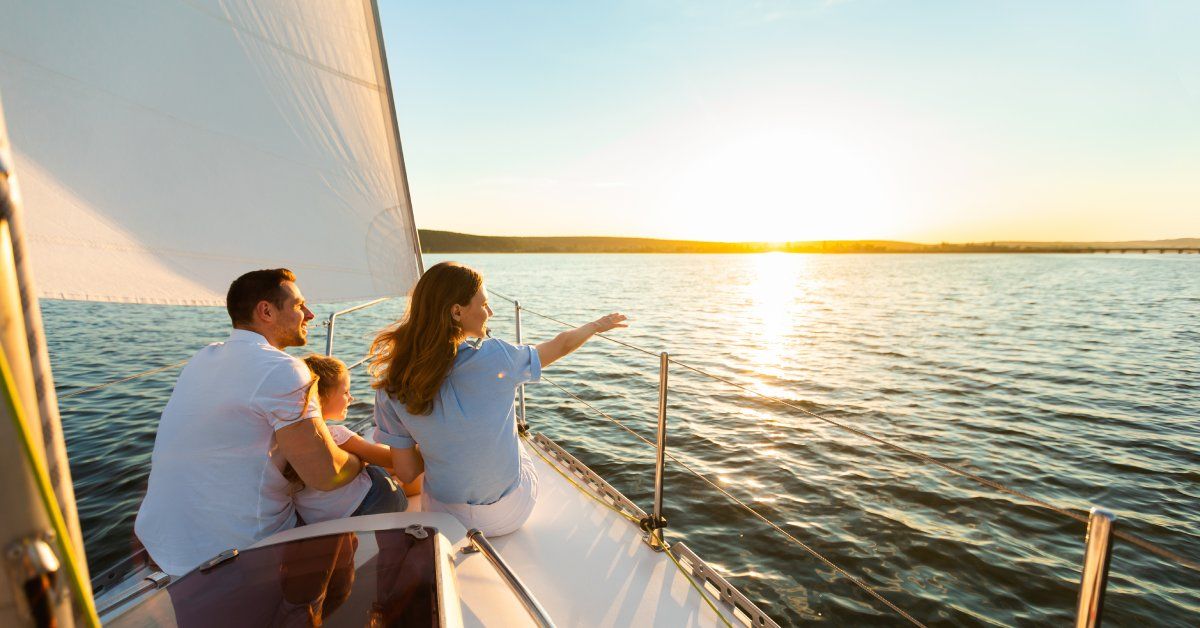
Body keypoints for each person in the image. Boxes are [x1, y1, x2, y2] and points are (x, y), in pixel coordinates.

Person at [134, 269, 387, 576]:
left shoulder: (203, 358)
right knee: (380, 489)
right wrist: (361, 460)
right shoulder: (282, 369)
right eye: (298, 305)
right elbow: (326, 474)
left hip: (165, 544)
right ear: (266, 310)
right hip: (242, 548)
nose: (309, 314)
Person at [369, 261, 627, 536]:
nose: (490, 312)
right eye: (483, 305)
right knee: (516, 439)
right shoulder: (498, 357)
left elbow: (406, 473)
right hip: (508, 514)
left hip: (443, 517)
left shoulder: (391, 385)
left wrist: (442, 446)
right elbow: (560, 345)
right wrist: (596, 326)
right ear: (457, 311)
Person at [288, 355, 407, 524]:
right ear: (321, 398)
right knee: (390, 471)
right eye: (345, 392)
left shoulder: (286, 442)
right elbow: (394, 460)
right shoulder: (337, 436)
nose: (351, 398)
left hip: (320, 521)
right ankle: (400, 486)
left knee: (373, 464)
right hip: (375, 503)